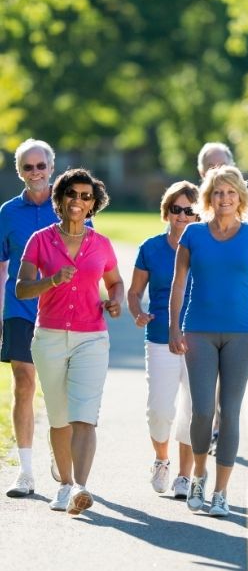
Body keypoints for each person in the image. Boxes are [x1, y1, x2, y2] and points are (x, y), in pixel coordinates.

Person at [169, 165, 248, 518]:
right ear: (209, 198)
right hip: (198, 330)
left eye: (231, 192)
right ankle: (199, 474)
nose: (225, 198)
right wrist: (173, 327)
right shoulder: (193, 235)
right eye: (218, 192)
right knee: (201, 411)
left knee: (229, 413)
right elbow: (179, 284)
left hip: (242, 334)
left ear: (241, 198)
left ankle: (221, 491)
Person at [16, 167, 124, 515]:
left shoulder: (101, 244)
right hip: (48, 337)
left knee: (84, 416)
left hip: (91, 337)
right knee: (59, 417)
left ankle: (80, 487)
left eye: (86, 196)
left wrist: (115, 300)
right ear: (60, 200)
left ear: (94, 205)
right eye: (72, 194)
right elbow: (21, 287)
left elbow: (116, 282)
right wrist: (51, 281)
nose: (78, 201)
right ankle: (63, 484)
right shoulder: (40, 240)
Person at [127, 181, 199, 498]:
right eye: (176, 209)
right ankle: (161, 458)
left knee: (194, 410)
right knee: (159, 410)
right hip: (159, 338)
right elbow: (133, 292)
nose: (182, 216)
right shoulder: (150, 249)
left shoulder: (208, 247)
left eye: (190, 211)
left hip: (201, 339)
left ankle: (185, 476)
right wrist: (136, 312)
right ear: (166, 212)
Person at [1, 139, 62, 497]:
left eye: (41, 166)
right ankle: (25, 472)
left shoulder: (71, 204)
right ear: (20, 171)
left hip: (62, 311)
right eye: (28, 167)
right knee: (24, 381)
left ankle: (61, 450)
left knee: (58, 387)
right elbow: (1, 265)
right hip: (20, 308)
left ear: (51, 168)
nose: (35, 173)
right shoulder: (8, 212)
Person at [196, 141, 248, 457]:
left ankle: (219, 430)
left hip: (232, 314)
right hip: (197, 310)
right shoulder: (191, 209)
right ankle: (197, 437)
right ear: (201, 171)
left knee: (225, 388)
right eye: (211, 166)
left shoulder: (246, 216)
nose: (218, 172)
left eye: (223, 165)